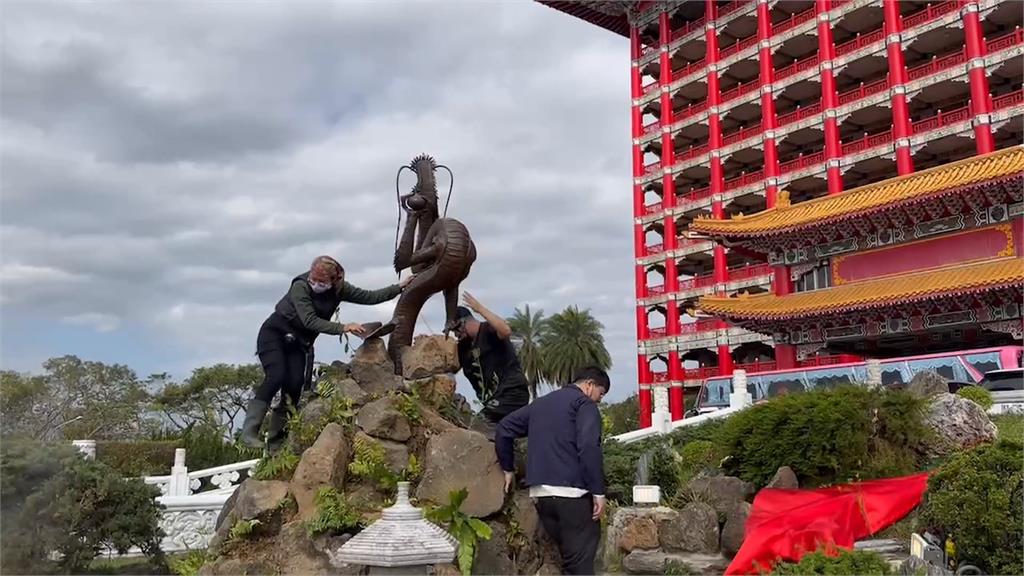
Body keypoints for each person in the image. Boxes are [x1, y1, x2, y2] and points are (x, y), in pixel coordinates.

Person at [240, 255, 412, 449]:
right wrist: (343, 327)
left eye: (321, 282)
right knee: (276, 375)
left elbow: (369, 296)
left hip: (298, 342)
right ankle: (249, 432)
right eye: (313, 279)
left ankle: (276, 445)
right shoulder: (300, 286)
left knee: (294, 387)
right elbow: (310, 320)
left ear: (334, 280)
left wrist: (399, 288)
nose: (315, 284)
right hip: (275, 334)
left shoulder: (340, 289)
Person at [494, 366, 610, 575]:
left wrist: (507, 467)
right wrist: (598, 492)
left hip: (541, 496)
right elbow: (588, 447)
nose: (599, 400)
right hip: (573, 495)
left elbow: (504, 428)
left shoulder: (540, 404)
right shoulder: (584, 404)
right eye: (600, 394)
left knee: (567, 561)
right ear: (590, 385)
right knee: (580, 565)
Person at [451, 292, 530, 440]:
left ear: (464, 322)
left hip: (512, 393)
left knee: (479, 424)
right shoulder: (464, 348)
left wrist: (479, 308)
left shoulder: (488, 331)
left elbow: (505, 330)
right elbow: (451, 367)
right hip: (493, 401)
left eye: (456, 329)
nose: (455, 335)